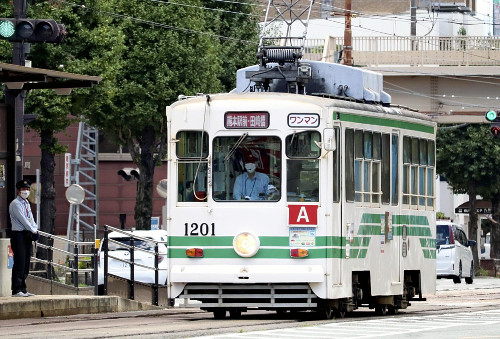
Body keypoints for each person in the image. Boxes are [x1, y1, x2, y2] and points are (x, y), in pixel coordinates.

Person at [9, 180, 39, 297]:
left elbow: (30, 218)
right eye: (23, 189)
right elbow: (23, 220)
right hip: (18, 234)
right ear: (18, 191)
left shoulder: (26, 203)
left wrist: (35, 229)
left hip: (27, 234)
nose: (26, 191)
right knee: (20, 261)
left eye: (27, 189)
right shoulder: (15, 203)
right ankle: (16, 289)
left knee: (26, 261)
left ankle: (23, 288)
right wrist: (32, 230)